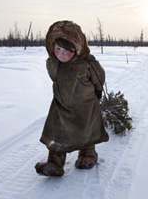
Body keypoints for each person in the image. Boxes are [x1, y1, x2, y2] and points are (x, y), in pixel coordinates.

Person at [35, 20, 109, 176]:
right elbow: (55, 79)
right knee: (57, 133)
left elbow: (99, 78)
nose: (61, 54)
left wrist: (97, 91)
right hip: (61, 106)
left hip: (85, 105)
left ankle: (88, 155)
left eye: (67, 50)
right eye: (58, 49)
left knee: (86, 131)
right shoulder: (53, 63)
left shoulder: (88, 63)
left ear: (77, 48)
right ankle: (55, 164)